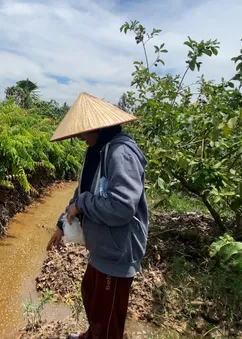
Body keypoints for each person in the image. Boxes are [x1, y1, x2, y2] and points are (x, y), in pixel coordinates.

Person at [47, 92, 148, 339]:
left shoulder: (119, 154)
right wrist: (62, 224)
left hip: (117, 250)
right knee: (91, 295)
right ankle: (92, 335)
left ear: (100, 128)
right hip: (102, 247)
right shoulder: (98, 151)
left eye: (84, 132)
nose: (81, 137)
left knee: (108, 314)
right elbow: (81, 191)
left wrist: (81, 205)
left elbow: (122, 207)